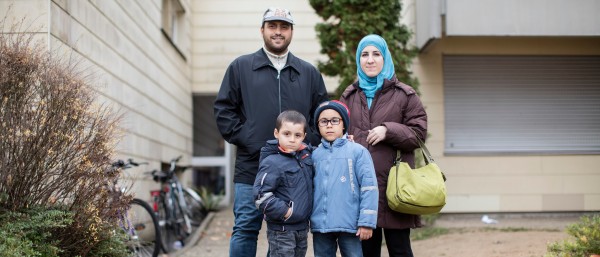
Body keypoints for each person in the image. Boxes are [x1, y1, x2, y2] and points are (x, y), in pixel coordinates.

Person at [213, 7, 328, 257]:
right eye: (272, 26)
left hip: (295, 171)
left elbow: (321, 116)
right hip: (251, 166)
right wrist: (248, 139)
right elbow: (223, 110)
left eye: (284, 27)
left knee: (286, 232)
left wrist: (306, 146)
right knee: (245, 227)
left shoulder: (308, 72)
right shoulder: (241, 67)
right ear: (262, 30)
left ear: (291, 32)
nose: (278, 32)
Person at [339, 34, 428, 257]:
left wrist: (388, 130)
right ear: (358, 60)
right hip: (361, 193)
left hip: (394, 191)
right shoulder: (348, 96)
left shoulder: (405, 95)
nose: (370, 60)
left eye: (376, 54)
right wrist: (345, 141)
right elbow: (336, 135)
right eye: (364, 55)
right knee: (366, 252)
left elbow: (418, 134)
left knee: (400, 250)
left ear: (385, 58)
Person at [310, 100, 379, 257]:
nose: (329, 125)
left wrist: (366, 222)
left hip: (351, 225)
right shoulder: (314, 155)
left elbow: (369, 187)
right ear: (317, 126)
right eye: (323, 121)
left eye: (335, 120)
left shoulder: (357, 152)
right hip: (321, 225)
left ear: (343, 125)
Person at [253, 110, 314, 257]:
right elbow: (260, 196)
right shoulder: (272, 162)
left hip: (302, 229)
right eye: (286, 134)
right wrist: (286, 212)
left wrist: (344, 141)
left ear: (304, 137)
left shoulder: (306, 157)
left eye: (297, 135)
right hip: (282, 230)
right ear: (276, 133)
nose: (292, 139)